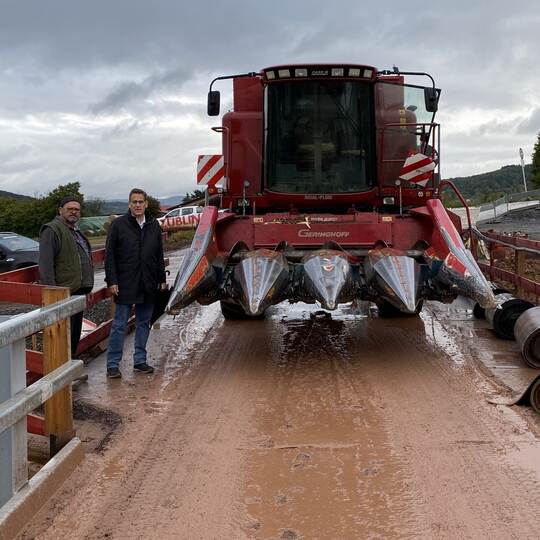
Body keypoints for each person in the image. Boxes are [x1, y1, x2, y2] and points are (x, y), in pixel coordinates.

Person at [104, 188, 166, 379]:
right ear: (129, 204)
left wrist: (161, 279)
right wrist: (112, 280)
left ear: (146, 204)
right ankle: (112, 364)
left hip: (148, 282)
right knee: (119, 325)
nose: (137, 205)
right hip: (125, 282)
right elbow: (109, 255)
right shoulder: (118, 225)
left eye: (140, 202)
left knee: (144, 323)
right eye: (134, 202)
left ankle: (140, 360)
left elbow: (158, 254)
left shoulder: (153, 225)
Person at [39, 196, 94, 357]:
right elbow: (46, 265)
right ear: (60, 210)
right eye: (70, 209)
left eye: (77, 209)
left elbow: (82, 259)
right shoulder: (52, 230)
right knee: (62, 334)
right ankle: (62, 368)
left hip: (78, 291)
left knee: (74, 333)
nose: (73, 212)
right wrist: (54, 294)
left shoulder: (76, 231)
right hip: (63, 293)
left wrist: (87, 286)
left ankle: (71, 364)